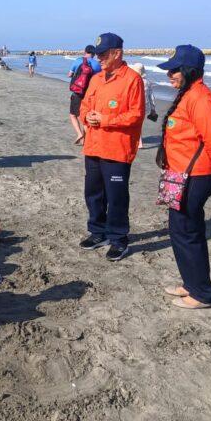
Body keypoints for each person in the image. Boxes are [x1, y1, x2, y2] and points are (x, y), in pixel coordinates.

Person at [156, 45, 211, 310]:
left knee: (188, 232)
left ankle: (202, 293)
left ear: (190, 70)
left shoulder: (200, 98)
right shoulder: (188, 94)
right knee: (179, 230)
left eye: (174, 70)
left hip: (196, 176)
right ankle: (191, 283)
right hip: (180, 174)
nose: (170, 75)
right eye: (169, 71)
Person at [78, 33, 145, 262]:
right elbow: (84, 105)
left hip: (117, 149)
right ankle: (98, 232)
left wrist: (105, 120)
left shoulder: (132, 80)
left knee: (116, 197)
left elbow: (136, 115)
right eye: (98, 54)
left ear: (117, 53)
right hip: (93, 146)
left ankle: (118, 239)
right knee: (93, 193)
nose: (99, 58)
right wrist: (87, 117)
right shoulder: (96, 78)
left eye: (103, 54)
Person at [68, 45, 102, 144]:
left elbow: (69, 74)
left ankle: (80, 134)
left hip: (78, 92)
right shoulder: (97, 64)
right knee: (86, 114)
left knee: (73, 115)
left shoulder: (78, 61)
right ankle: (85, 140)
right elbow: (100, 78)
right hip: (90, 93)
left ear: (85, 51)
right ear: (94, 53)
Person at [131, 63, 158, 149]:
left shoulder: (133, 81)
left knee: (134, 124)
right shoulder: (148, 82)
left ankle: (138, 142)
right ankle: (137, 141)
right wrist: (153, 108)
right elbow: (151, 96)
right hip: (145, 107)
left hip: (135, 106)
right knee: (139, 123)